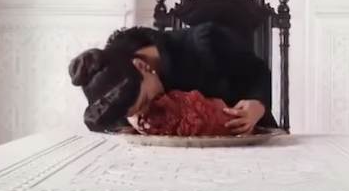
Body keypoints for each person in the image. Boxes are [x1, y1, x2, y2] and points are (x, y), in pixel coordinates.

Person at [68, 22, 277, 135]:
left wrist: (258, 105)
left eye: (146, 102)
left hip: (246, 138)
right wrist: (130, 121)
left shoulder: (207, 44)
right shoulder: (118, 81)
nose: (145, 113)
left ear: (142, 66)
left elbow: (259, 73)